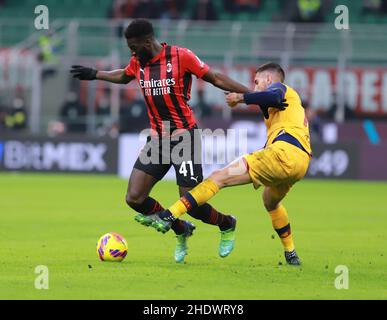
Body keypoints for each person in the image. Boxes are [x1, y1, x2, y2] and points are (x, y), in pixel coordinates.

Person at [70, 19, 251, 263]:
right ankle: (181, 229)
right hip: (157, 141)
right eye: (129, 48)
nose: (132, 53)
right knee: (134, 198)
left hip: (184, 137)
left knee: (193, 203)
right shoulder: (138, 62)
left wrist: (251, 96)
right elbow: (124, 76)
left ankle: (227, 223)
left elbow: (216, 78)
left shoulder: (181, 56)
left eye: (134, 47)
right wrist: (95, 74)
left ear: (148, 42)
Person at [147, 62, 312, 266]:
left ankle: (168, 214)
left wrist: (241, 97)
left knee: (219, 177)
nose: (255, 85)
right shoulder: (286, 110)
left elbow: (274, 95)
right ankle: (291, 252)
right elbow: (271, 105)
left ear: (269, 79)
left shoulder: (280, 89)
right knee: (270, 201)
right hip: (300, 162)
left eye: (257, 81)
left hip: (283, 154)